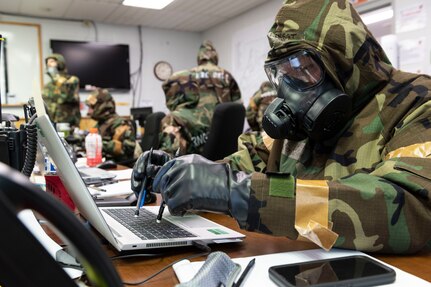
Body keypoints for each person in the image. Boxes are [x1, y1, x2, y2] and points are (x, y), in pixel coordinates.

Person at [132, 0, 431, 254]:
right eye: (281, 73)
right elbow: (241, 166)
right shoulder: (296, 126)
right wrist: (180, 174)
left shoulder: (417, 103)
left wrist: (241, 193)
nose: (290, 90)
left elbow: (412, 207)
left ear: (343, 62)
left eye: (303, 69)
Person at [158, 40, 242, 156]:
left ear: (199, 57)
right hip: (225, 134)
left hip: (198, 130)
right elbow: (237, 106)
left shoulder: (191, 74)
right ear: (215, 56)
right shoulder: (226, 75)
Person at [85, 88, 137, 164]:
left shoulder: (121, 124)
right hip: (102, 165)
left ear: (103, 106)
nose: (88, 112)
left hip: (119, 167)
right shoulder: (100, 124)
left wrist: (100, 144)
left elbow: (127, 150)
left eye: (92, 107)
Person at [42, 53, 81, 129]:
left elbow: (66, 96)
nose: (48, 64)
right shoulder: (48, 86)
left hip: (68, 125)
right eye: (47, 62)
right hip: (52, 124)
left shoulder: (72, 80)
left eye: (52, 61)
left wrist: (55, 76)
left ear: (60, 63)